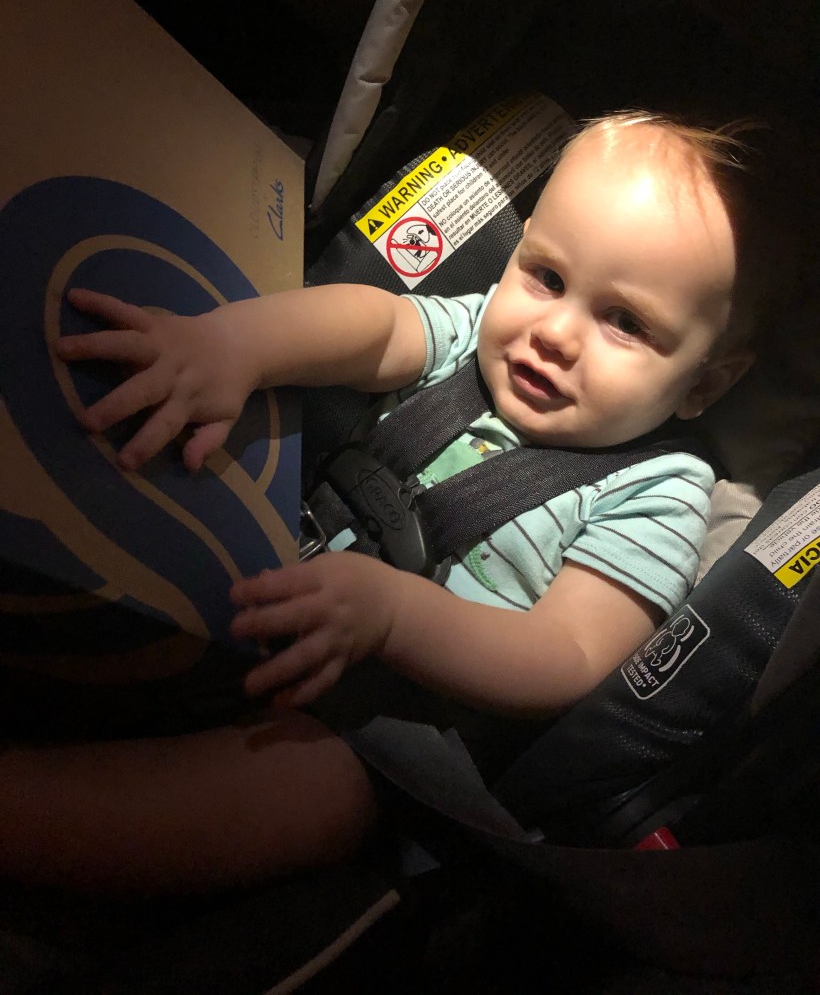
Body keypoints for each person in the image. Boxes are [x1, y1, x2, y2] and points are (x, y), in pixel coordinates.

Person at [1, 112, 765, 893]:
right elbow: (374, 326)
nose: (556, 333)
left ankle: (29, 813)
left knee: (317, 798)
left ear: (704, 383)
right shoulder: (478, 335)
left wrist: (395, 617)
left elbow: (566, 654)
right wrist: (236, 344)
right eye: (547, 276)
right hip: (265, 583)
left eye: (625, 322)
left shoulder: (662, 489)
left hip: (381, 722)